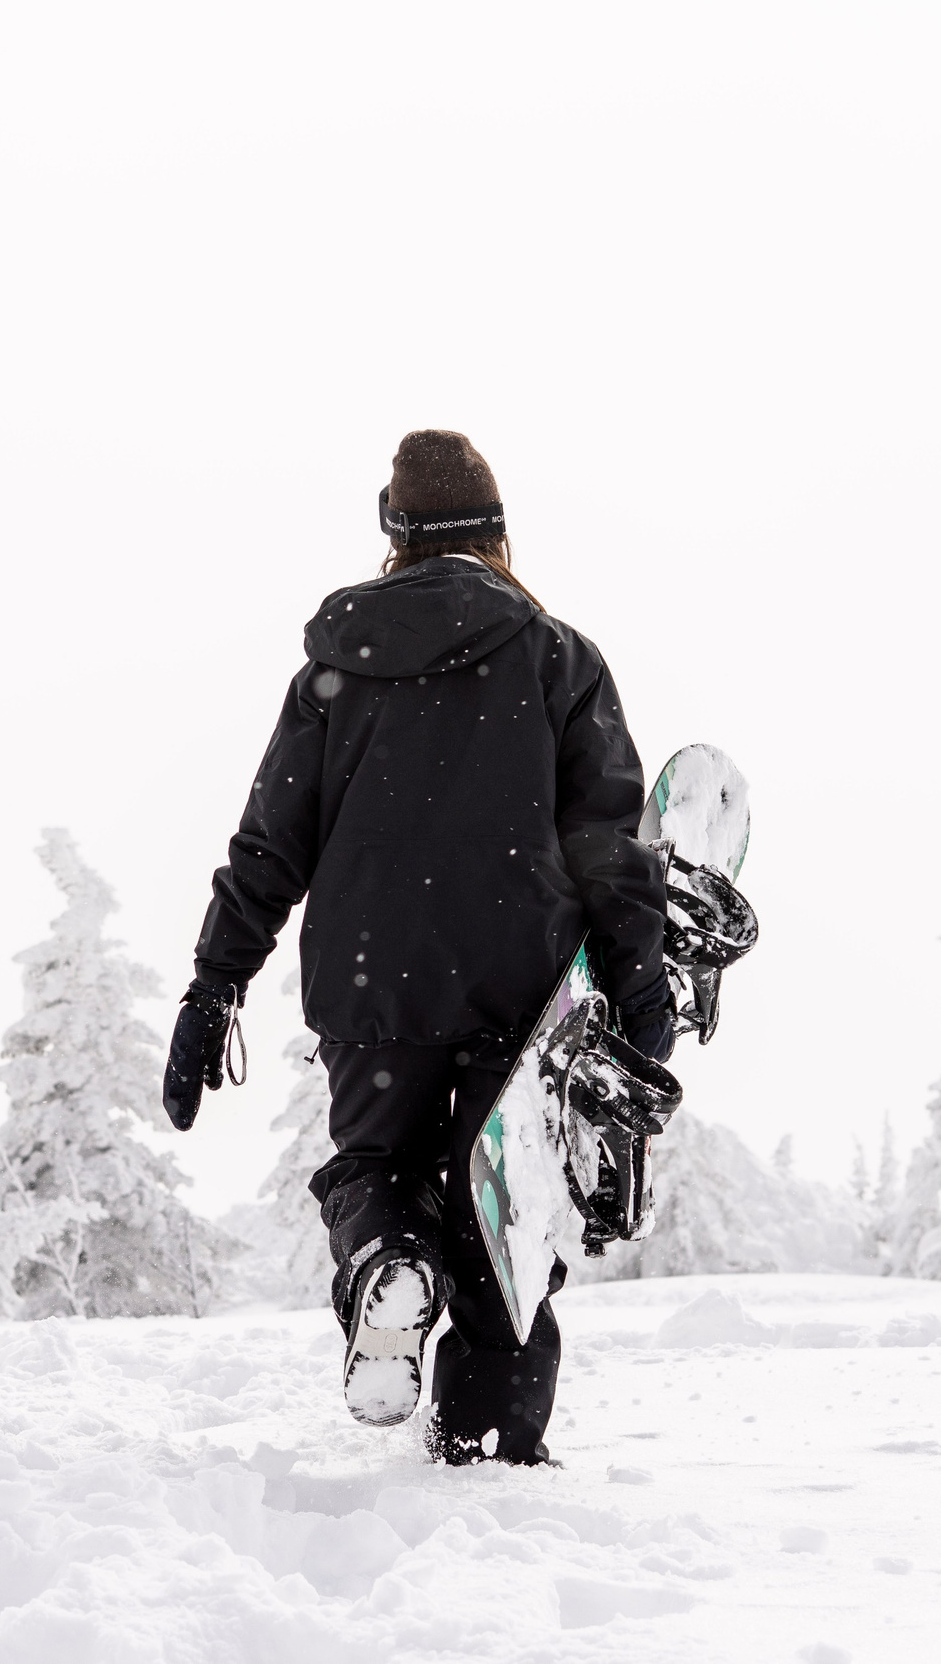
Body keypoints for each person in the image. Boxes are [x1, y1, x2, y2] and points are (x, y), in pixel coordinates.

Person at [161, 429, 673, 1465]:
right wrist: (641, 988)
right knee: (506, 1219)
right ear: (495, 533)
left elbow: (270, 845)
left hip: (371, 982)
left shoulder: (330, 675)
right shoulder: (558, 658)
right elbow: (609, 850)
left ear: (392, 540)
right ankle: (487, 1454)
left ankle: (389, 1259)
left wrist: (214, 986)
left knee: (375, 1168)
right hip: (518, 986)